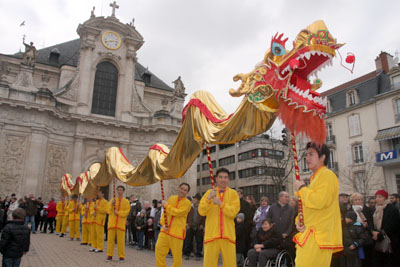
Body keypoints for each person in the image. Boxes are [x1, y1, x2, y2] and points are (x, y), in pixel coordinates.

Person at [293, 142, 343, 267]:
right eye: (306, 155)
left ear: (322, 157)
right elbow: (310, 209)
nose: (307, 158)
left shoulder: (327, 175)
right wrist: (299, 220)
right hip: (311, 235)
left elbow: (319, 201)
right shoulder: (315, 178)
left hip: (318, 237)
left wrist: (302, 188)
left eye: (311, 154)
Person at [199, 168, 240, 267]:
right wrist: (209, 199)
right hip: (211, 235)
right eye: (220, 177)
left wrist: (220, 204)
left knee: (230, 264)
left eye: (225, 177)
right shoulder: (209, 193)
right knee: (209, 264)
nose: (223, 179)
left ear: (229, 179)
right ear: (216, 179)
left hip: (228, 235)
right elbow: (201, 211)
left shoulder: (233, 194)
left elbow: (233, 212)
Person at [155, 182, 191, 267]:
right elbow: (165, 213)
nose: (183, 191)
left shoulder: (187, 203)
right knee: (158, 250)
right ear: (178, 188)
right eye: (182, 188)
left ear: (187, 192)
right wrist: (162, 224)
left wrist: (166, 205)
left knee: (177, 257)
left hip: (177, 233)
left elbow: (177, 212)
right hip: (165, 231)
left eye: (185, 190)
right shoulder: (171, 198)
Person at [371, 189, 400, 267]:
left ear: (385, 198)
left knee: (390, 260)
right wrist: (374, 232)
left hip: (390, 239)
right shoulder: (375, 209)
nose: (377, 199)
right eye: (376, 197)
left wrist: (382, 234)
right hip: (378, 238)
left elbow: (392, 224)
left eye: (380, 197)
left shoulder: (391, 208)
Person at [106, 186, 130, 262]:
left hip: (120, 224)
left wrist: (118, 213)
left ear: (123, 191)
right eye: (118, 190)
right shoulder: (112, 200)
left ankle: (121, 256)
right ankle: (109, 255)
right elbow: (108, 211)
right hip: (112, 224)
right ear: (116, 191)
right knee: (110, 241)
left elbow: (126, 212)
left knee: (121, 242)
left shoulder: (126, 202)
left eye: (121, 190)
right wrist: (112, 206)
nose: (119, 191)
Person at [183, 193, 205, 261]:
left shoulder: (202, 207)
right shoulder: (190, 207)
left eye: (195, 199)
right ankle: (187, 254)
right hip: (190, 226)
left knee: (199, 241)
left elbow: (204, 217)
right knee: (188, 241)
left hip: (199, 227)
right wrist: (186, 223)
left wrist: (202, 225)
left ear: (198, 200)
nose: (193, 200)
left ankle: (198, 254)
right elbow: (186, 215)